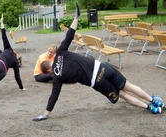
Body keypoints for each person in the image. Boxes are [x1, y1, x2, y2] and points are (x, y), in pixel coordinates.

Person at [33, 3, 165, 122]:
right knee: (128, 86)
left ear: (48, 71)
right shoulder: (60, 52)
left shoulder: (56, 78)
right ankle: (154, 100)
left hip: (97, 82)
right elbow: (70, 34)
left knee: (123, 94)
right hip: (103, 67)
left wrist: (46, 114)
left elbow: (54, 96)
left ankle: (150, 108)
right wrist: (76, 17)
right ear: (50, 61)